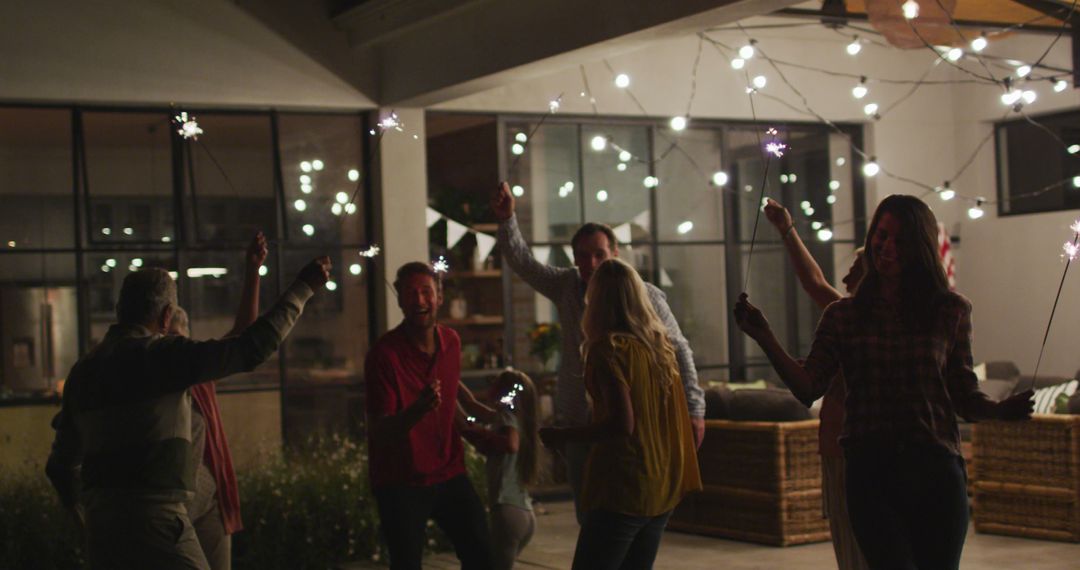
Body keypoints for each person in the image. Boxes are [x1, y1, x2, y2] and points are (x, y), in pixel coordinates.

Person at [734, 195, 1033, 569]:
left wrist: (1000, 411)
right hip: (871, 473)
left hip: (936, 471)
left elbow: (962, 393)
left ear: (920, 247)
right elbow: (809, 387)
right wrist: (764, 336)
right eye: (881, 234)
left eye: (900, 239)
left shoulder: (950, 310)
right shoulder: (843, 315)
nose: (886, 247)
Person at [46, 257, 331, 570]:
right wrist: (303, 288)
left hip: (102, 529)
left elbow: (59, 467)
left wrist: (87, 521)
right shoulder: (162, 355)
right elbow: (252, 347)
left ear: (119, 310)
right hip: (157, 520)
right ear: (167, 316)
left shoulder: (83, 372)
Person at [492, 181, 704, 523]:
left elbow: (679, 349)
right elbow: (524, 263)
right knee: (588, 511)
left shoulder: (644, 295)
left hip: (634, 423)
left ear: (615, 254)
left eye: (598, 254)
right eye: (582, 255)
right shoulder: (566, 286)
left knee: (627, 509)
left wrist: (694, 408)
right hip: (580, 417)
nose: (590, 263)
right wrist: (507, 221)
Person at [539, 258, 701, 570]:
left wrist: (561, 435)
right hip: (663, 480)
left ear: (595, 302)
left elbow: (620, 423)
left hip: (625, 484)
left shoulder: (608, 350)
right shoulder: (660, 347)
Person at [365, 262, 492, 570]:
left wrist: (482, 432)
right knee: (407, 563)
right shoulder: (384, 355)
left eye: (426, 292)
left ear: (440, 296)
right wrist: (418, 409)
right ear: (398, 299)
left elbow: (450, 407)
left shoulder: (452, 342)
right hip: (400, 479)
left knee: (483, 554)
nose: (419, 300)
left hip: (448, 470)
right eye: (410, 293)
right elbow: (381, 431)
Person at [764, 198, 869, 570]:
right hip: (839, 450)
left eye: (854, 270)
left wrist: (788, 230)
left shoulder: (855, 323)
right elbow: (816, 282)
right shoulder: (850, 319)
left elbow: (814, 283)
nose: (844, 279)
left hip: (850, 452)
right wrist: (787, 229)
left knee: (857, 546)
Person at [167, 232, 268, 570]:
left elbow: (243, 334)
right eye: (171, 340)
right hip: (172, 507)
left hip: (209, 498)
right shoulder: (153, 384)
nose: (179, 349)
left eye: (182, 340)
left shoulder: (200, 376)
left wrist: (252, 272)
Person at [458, 370, 540, 570]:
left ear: (504, 391)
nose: (490, 385)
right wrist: (450, 377)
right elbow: (470, 404)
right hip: (524, 513)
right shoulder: (516, 419)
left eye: (495, 382)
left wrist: (471, 429)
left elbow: (511, 444)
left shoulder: (506, 418)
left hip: (507, 510)